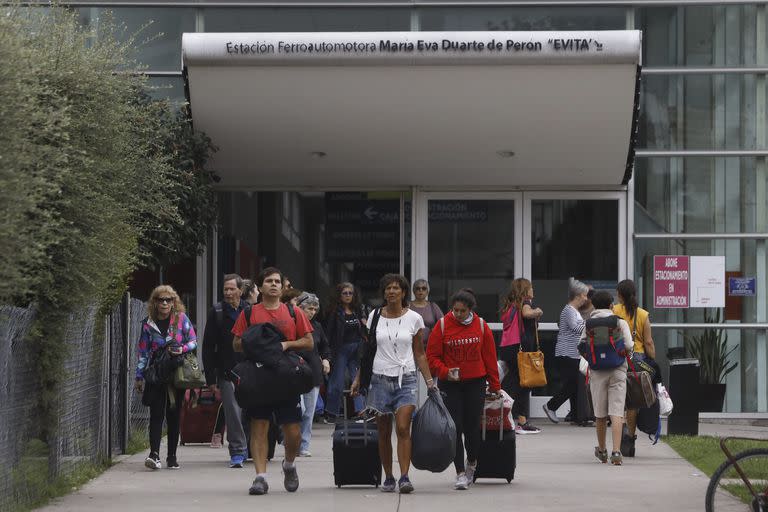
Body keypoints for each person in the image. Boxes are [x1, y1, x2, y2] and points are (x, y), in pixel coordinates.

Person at [231, 267, 314, 496]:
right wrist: (254, 344)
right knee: (259, 426)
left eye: (278, 281)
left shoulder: (293, 311)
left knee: (293, 431)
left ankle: (289, 465)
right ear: (261, 286)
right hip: (259, 378)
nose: (274, 284)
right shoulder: (249, 313)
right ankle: (260, 477)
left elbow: (308, 342)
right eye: (269, 281)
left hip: (286, 376)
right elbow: (236, 344)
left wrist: (286, 345)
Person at [351, 273, 436, 494]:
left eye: (395, 288)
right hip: (379, 379)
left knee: (402, 428)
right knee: (383, 431)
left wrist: (430, 382)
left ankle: (405, 477)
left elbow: (420, 353)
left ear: (404, 292)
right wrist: (359, 378)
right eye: (387, 288)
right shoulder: (374, 316)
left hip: (406, 378)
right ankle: (388, 476)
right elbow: (368, 353)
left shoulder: (414, 319)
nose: (391, 291)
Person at [427, 288, 500, 490]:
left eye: (462, 311)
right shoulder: (442, 325)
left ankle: (472, 463)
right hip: (450, 384)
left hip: (475, 383)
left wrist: (495, 385)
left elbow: (490, 358)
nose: (458, 314)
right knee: (455, 428)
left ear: (470, 309)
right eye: (455, 310)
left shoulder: (481, 326)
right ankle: (459, 472)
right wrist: (444, 371)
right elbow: (431, 357)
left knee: (472, 428)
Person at [135, 285, 197, 470]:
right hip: (156, 373)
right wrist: (139, 375)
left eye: (168, 300)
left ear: (174, 302)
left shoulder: (181, 319)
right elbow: (143, 352)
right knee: (155, 414)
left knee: (174, 414)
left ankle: (172, 456)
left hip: (176, 372)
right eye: (160, 299)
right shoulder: (148, 324)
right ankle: (154, 454)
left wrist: (181, 349)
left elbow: (193, 341)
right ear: (154, 302)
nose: (164, 303)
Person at [202, 273, 249, 467]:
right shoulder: (218, 312)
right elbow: (207, 346)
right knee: (232, 412)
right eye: (225, 289)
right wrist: (211, 378)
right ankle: (237, 451)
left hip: (249, 370)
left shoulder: (250, 310)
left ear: (241, 290)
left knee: (249, 412)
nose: (228, 292)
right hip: (226, 370)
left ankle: (250, 447)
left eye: (232, 289)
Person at [583, 290, 633, 466]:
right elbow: (628, 345)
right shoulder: (620, 322)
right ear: (611, 305)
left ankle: (602, 451)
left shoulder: (588, 324)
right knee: (617, 412)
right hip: (618, 368)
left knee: (600, 413)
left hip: (597, 371)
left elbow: (581, 345)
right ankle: (616, 453)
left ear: (594, 306)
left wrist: (592, 358)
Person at [613, 279, 656, 457]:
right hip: (637, 360)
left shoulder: (615, 310)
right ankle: (630, 437)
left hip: (619, 356)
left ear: (620, 295)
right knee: (633, 402)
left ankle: (619, 432)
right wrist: (652, 359)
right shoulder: (643, 315)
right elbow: (648, 341)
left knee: (618, 398)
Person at [498, 278, 542, 434]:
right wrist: (538, 312)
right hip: (519, 349)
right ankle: (520, 421)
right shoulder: (525, 303)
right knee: (524, 383)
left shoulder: (510, 306)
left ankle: (508, 416)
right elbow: (527, 313)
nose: (532, 290)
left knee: (515, 383)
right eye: (530, 288)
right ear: (525, 290)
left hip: (508, 347)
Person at [542, 277, 589, 425]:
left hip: (572, 353)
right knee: (572, 384)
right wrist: (592, 325)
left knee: (574, 384)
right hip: (567, 353)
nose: (586, 299)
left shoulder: (574, 311)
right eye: (584, 295)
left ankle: (575, 415)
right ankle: (551, 406)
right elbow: (577, 328)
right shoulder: (569, 311)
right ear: (578, 295)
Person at [295, 291, 331, 457]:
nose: (312, 312)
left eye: (315, 309)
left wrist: (326, 359)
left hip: (313, 372)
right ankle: (291, 440)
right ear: (300, 308)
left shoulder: (316, 326)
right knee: (299, 409)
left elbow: (325, 346)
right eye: (309, 308)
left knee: (309, 412)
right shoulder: (291, 323)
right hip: (294, 372)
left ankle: (303, 445)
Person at [324, 282, 366, 420]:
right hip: (340, 349)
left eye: (350, 293)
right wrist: (328, 352)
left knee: (358, 378)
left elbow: (364, 330)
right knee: (337, 381)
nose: (348, 296)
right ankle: (332, 412)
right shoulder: (334, 312)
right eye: (345, 293)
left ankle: (360, 410)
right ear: (339, 295)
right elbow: (329, 334)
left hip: (356, 349)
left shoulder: (358, 310)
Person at [410, 279, 443, 347]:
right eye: (418, 288)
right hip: (410, 347)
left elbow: (443, 324)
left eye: (424, 288)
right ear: (413, 291)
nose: (420, 290)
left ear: (427, 291)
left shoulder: (433, 306)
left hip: (430, 346)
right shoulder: (408, 306)